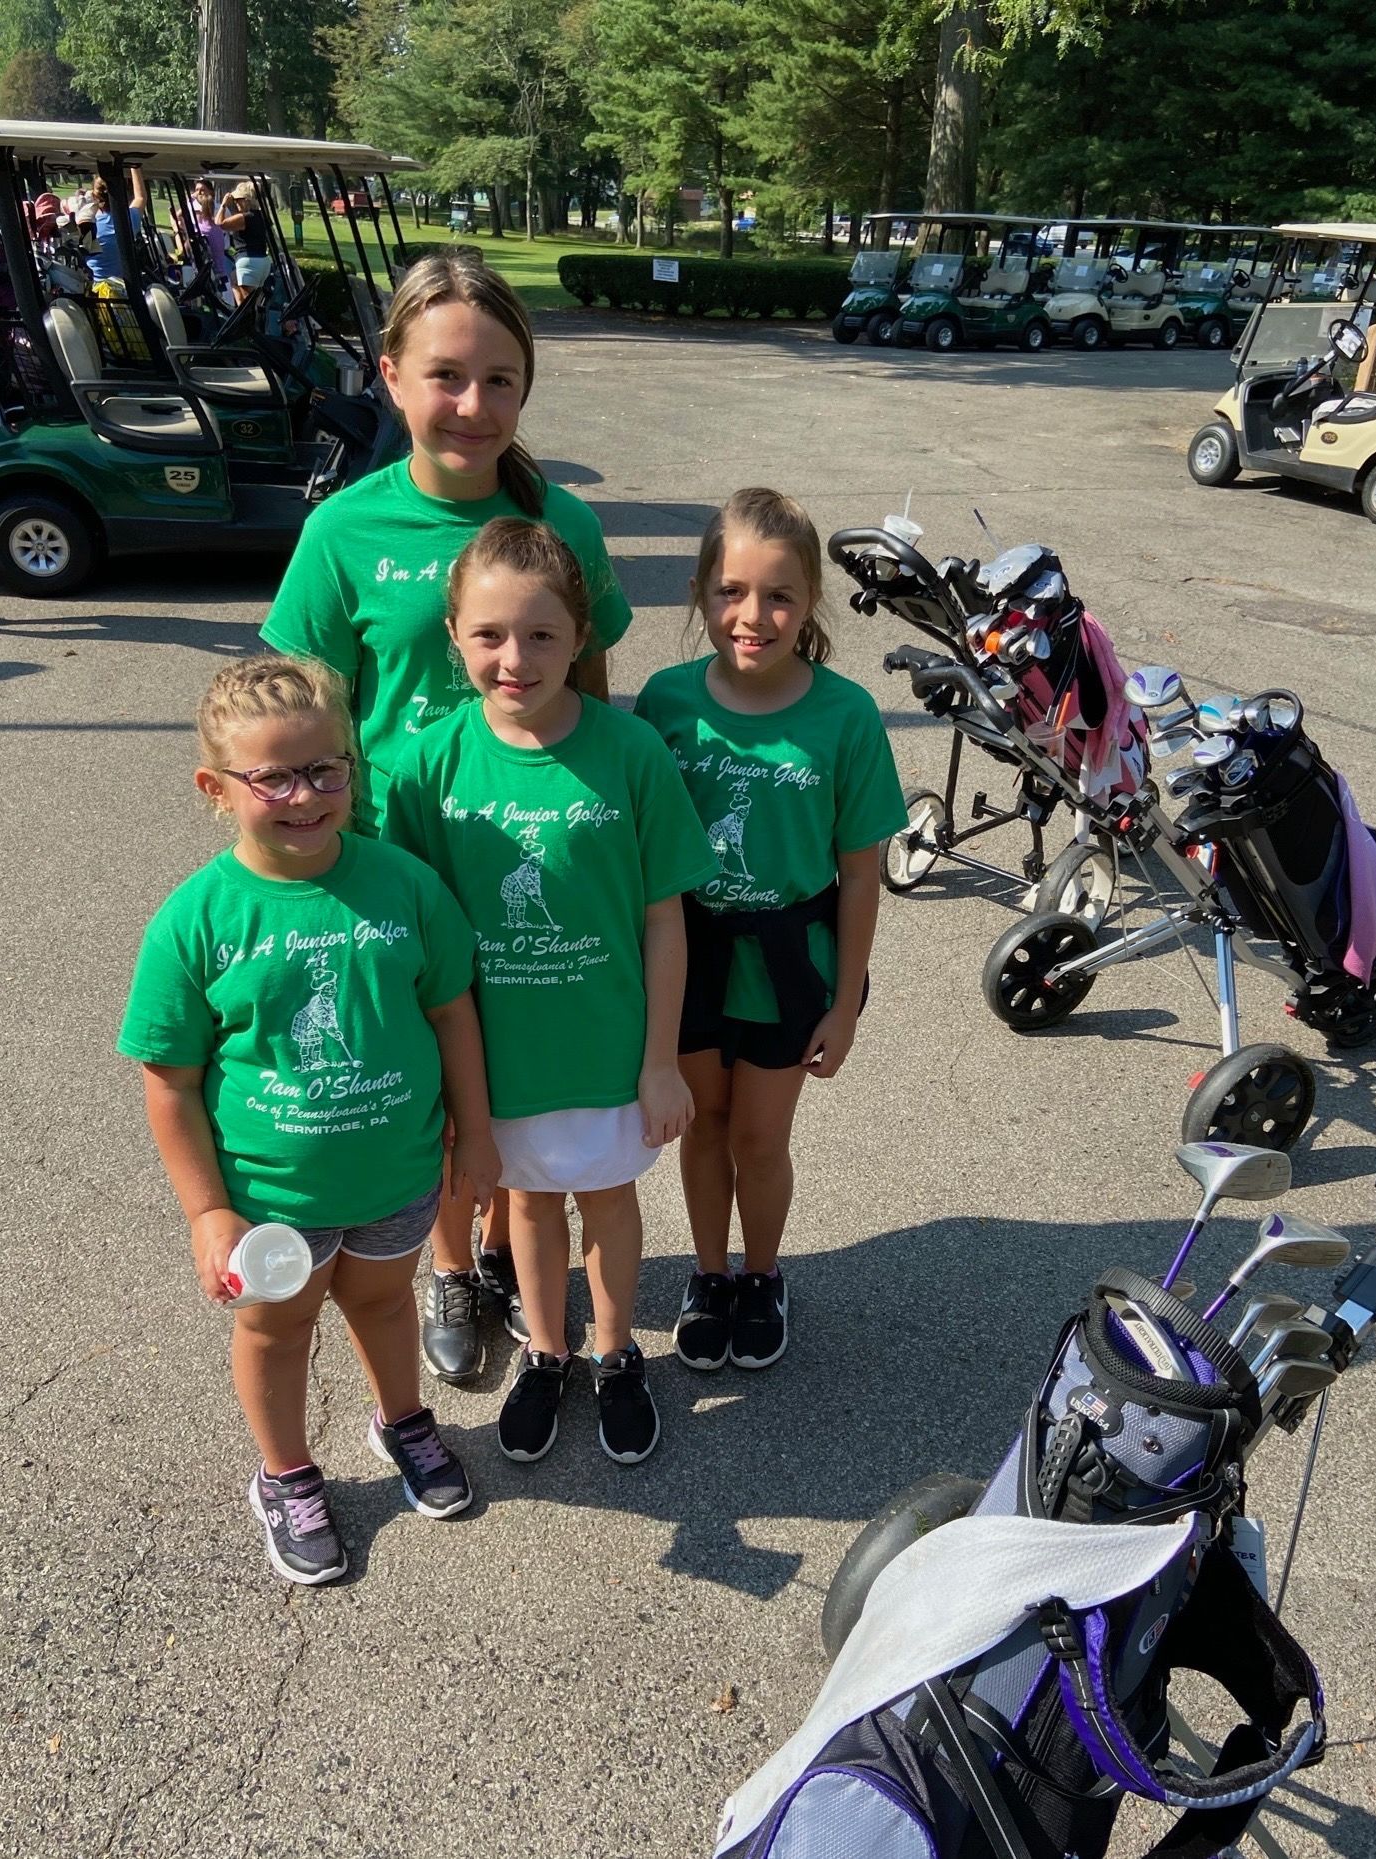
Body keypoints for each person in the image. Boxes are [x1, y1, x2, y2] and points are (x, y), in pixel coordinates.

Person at [260, 250, 633, 1387]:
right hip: (399, 862)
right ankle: (453, 1264)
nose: (473, 406)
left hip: (531, 854)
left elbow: (599, 681)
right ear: (389, 376)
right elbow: (299, 708)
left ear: (527, 389)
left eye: (501, 381)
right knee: (435, 1085)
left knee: (524, 1079)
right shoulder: (343, 533)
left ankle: (538, 1269)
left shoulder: (560, 520)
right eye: (446, 376)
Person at [117, 655, 500, 1585]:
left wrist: (476, 1132)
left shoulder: (404, 884)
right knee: (277, 1331)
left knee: (380, 1302)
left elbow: (452, 1010)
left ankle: (401, 1420)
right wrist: (209, 1212)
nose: (306, 795)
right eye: (274, 777)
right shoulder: (196, 920)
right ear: (216, 788)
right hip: (269, 1198)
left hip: (398, 1175)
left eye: (328, 768)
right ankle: (285, 1473)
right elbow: (168, 1082)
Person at [384, 519, 717, 1466]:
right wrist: (442, 1088)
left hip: (608, 1047)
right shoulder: (425, 767)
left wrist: (659, 1061)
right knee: (526, 1206)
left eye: (540, 635)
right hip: (495, 1057)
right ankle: (546, 1348)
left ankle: (614, 1353)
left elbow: (663, 918)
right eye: (488, 634)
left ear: (581, 637)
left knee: (607, 1202)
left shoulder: (630, 752)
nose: (514, 658)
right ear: (453, 634)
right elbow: (409, 936)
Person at [634, 488, 907, 1373]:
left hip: (793, 964)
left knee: (759, 1138)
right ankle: (707, 1275)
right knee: (702, 1126)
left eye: (779, 596)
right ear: (699, 591)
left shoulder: (846, 714)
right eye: (731, 591)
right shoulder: (665, 704)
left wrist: (849, 1005)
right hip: (689, 957)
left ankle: (760, 1273)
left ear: (810, 604)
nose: (753, 616)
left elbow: (861, 874)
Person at [75, 168, 148, 284]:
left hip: (99, 291)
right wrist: (135, 167)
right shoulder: (129, 219)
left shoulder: (88, 227)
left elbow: (85, 258)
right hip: (126, 289)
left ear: (94, 196)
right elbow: (141, 197)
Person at [218, 180, 271, 301]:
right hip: (263, 261)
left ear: (246, 200)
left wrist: (223, 205)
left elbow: (219, 223)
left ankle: (249, 319)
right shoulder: (263, 216)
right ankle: (241, 316)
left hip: (248, 262)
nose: (235, 203)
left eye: (238, 200)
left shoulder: (245, 217)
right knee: (234, 278)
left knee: (248, 302)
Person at [188, 179, 235, 299]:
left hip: (220, 257)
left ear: (211, 192)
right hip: (202, 259)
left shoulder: (221, 209)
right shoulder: (191, 209)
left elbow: (229, 231)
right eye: (197, 190)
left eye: (202, 190)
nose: (199, 193)